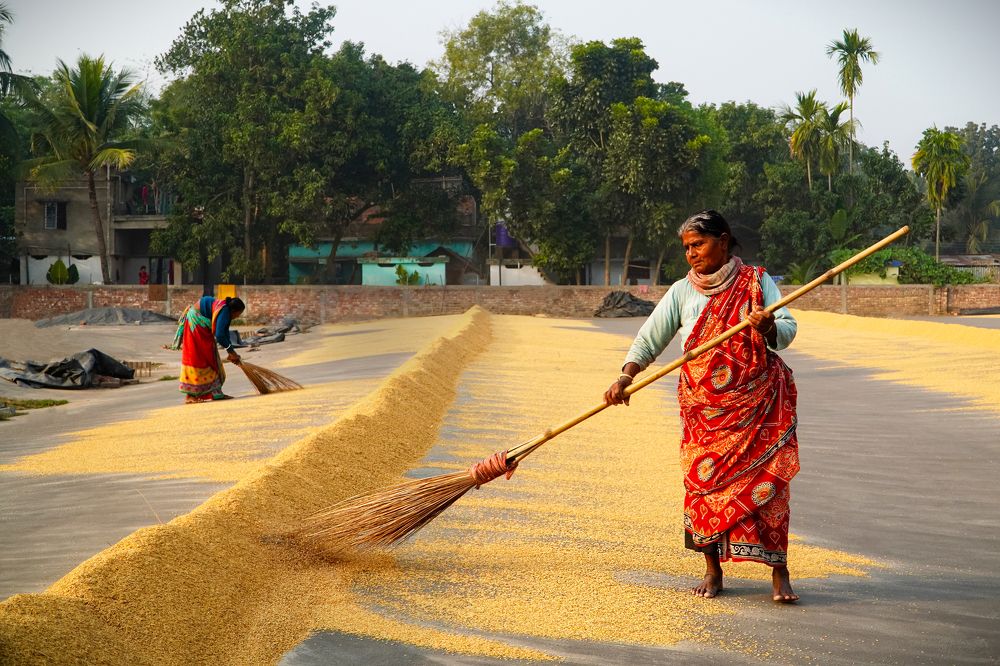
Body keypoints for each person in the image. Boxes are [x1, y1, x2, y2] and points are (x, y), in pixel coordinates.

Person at [604, 210, 800, 603]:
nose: (691, 254)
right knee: (702, 485)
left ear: (723, 241)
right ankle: (712, 571)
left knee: (768, 490)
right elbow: (650, 338)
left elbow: (787, 329)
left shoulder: (757, 282)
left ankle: (780, 573)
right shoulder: (681, 291)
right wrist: (626, 376)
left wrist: (766, 327)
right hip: (704, 412)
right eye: (687, 248)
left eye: (699, 244)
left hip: (756, 408)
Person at [177, 296, 244, 403]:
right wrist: (231, 352)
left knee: (212, 358)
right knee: (200, 359)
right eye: (238, 314)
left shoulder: (226, 311)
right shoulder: (225, 311)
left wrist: (232, 352)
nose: (238, 317)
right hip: (196, 325)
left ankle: (216, 393)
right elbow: (220, 335)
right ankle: (191, 396)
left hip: (202, 326)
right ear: (234, 311)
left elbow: (225, 333)